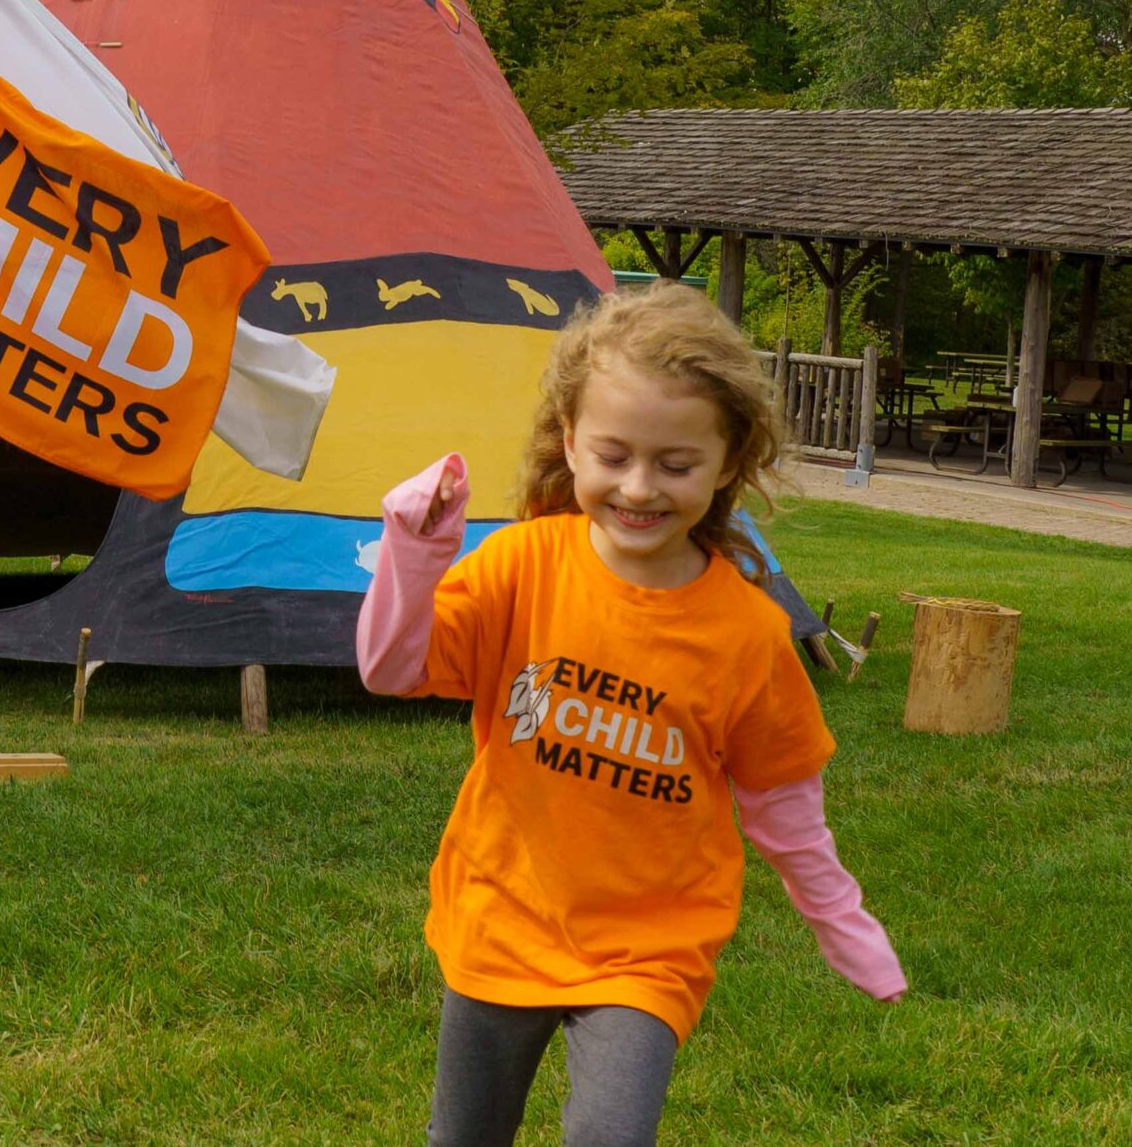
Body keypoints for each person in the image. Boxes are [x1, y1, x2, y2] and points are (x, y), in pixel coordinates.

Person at [357, 282, 904, 1147]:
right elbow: (392, 670)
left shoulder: (748, 634)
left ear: (727, 461)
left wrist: (843, 923)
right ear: (569, 440)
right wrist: (414, 554)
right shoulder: (521, 567)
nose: (639, 488)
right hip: (502, 917)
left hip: (649, 948)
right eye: (613, 456)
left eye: (676, 465)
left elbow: (783, 806)